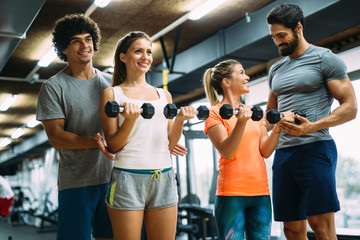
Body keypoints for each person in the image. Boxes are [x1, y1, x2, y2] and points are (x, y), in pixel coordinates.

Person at [266, 4, 358, 239]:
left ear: (298, 28)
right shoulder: (276, 69)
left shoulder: (324, 59)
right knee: (291, 228)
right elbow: (269, 116)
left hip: (315, 148)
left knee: (320, 225)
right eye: (273, 37)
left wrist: (312, 126)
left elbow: (350, 108)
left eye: (281, 35)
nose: (277, 42)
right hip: (283, 153)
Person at [100, 31, 194, 240]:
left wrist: (179, 120)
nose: (145, 57)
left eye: (149, 52)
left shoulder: (164, 95)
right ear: (123, 57)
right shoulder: (112, 94)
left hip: (164, 177)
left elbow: (170, 144)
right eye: (138, 51)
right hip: (127, 178)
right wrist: (130, 120)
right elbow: (113, 146)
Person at [36, 14, 114, 240]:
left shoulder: (111, 82)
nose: (84, 45)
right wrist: (95, 142)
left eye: (88, 39)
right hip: (77, 183)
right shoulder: (53, 87)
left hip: (113, 179)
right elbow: (56, 137)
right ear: (64, 49)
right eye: (76, 41)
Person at [202, 59, 294, 240]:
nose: (247, 76)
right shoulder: (214, 113)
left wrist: (278, 126)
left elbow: (265, 151)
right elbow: (227, 151)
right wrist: (241, 122)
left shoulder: (254, 112)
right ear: (226, 82)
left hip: (260, 192)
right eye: (241, 73)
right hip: (231, 194)